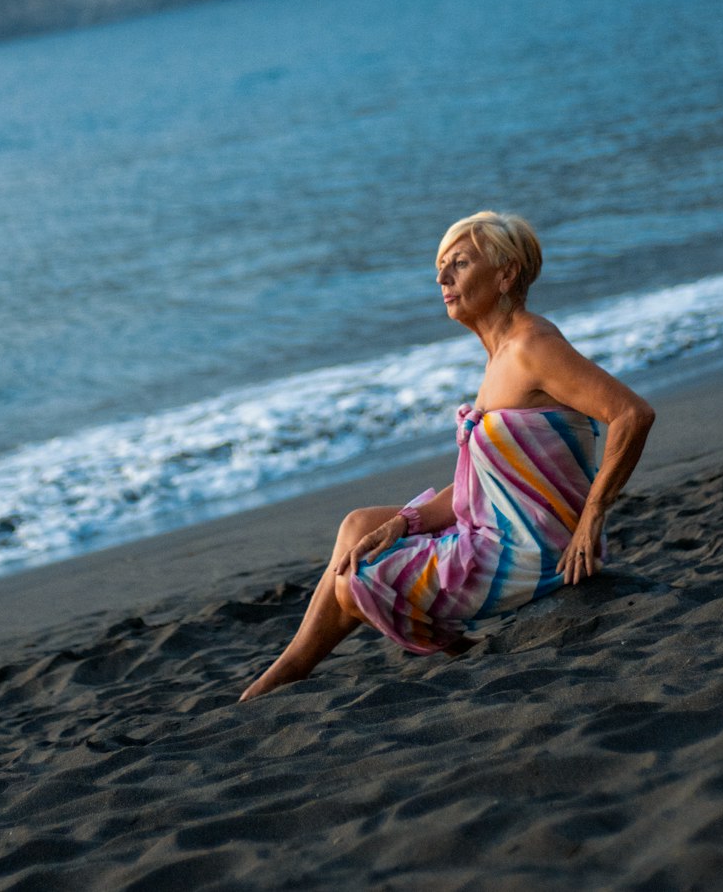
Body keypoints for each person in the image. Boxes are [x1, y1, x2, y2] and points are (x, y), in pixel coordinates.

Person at [239, 210, 655, 701]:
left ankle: (283, 676)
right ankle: (295, 667)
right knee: (360, 526)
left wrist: (592, 519)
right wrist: (407, 521)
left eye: (458, 264)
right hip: (498, 527)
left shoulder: (533, 347)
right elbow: (492, 483)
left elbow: (631, 414)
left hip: (530, 551)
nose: (442, 278)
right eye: (441, 266)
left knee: (354, 583)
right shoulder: (500, 356)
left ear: (505, 274)